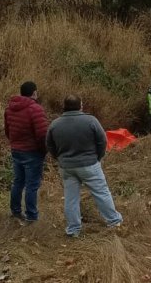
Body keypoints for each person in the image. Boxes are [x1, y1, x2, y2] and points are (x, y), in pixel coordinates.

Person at [45, 95, 123, 237]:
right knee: (101, 192)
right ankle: (114, 221)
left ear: (65, 106)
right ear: (80, 105)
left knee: (71, 198)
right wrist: (98, 157)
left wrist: (60, 158)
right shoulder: (91, 120)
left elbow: (50, 145)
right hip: (89, 164)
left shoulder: (55, 124)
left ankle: (73, 230)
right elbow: (102, 141)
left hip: (66, 167)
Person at [4, 81, 48, 222]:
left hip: (16, 150)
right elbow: (42, 135)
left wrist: (15, 143)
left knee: (18, 182)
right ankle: (31, 216)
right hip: (32, 152)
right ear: (34, 93)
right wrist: (44, 151)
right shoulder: (36, 109)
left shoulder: (9, 109)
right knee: (32, 185)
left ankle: (15, 211)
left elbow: (7, 130)